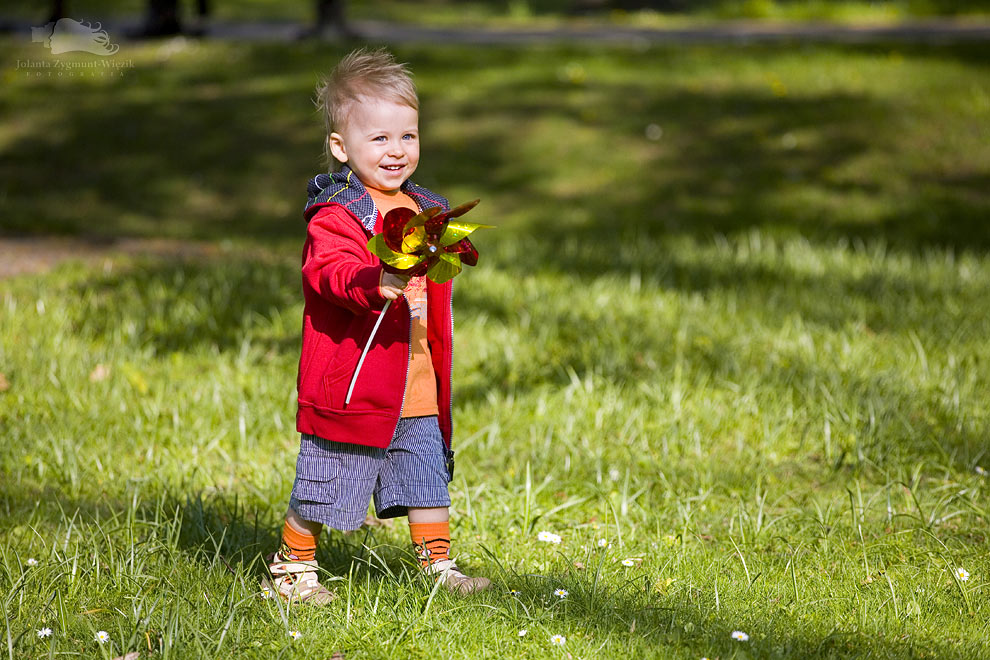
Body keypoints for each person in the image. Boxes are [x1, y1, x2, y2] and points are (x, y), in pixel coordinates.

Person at [263, 48, 491, 605]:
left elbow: (438, 266)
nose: (397, 151)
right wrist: (375, 281)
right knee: (329, 477)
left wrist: (454, 249)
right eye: (380, 139)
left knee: (424, 472)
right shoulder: (337, 214)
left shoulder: (424, 209)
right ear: (342, 147)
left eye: (408, 137)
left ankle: (438, 564)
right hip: (355, 381)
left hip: (415, 374)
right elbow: (328, 274)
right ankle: (293, 568)